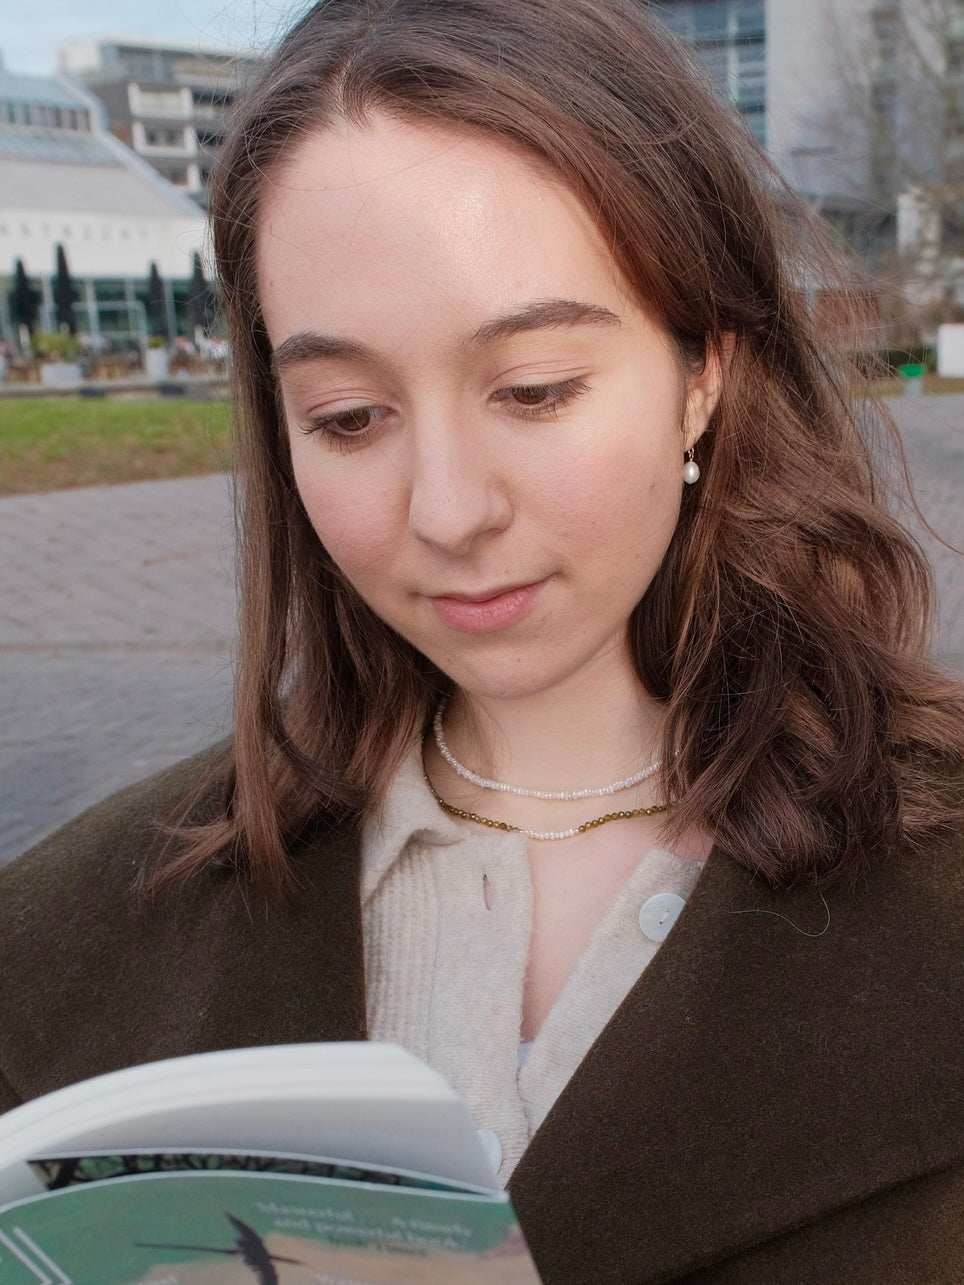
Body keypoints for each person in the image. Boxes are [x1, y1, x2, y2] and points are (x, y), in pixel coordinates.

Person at [2, 0, 962, 1279]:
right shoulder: (74, 934)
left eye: (533, 389)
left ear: (702, 373)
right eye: (348, 417)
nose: (447, 511)